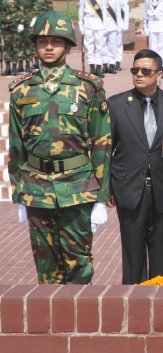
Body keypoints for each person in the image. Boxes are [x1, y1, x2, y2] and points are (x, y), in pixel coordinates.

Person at [8, 11, 111, 284]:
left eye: (56, 41)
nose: (49, 47)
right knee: (46, 264)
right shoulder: (22, 90)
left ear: (68, 45)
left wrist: (101, 197)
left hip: (77, 187)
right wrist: (19, 193)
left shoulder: (88, 87)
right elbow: (16, 145)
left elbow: (102, 144)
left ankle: (81, 324)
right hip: (36, 187)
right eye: (43, 42)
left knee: (79, 263)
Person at [107, 49, 163, 284]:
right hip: (129, 187)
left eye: (146, 71)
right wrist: (107, 188)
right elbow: (106, 151)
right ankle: (133, 301)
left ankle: (162, 302)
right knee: (132, 252)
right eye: (135, 70)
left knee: (162, 252)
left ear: (159, 74)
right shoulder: (116, 105)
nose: (139, 75)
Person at [79, 0, 108, 77]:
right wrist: (81, 25)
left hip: (99, 23)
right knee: (89, 47)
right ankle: (92, 68)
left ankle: (98, 68)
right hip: (88, 23)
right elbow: (81, 11)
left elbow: (104, 11)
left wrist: (105, 26)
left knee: (100, 47)